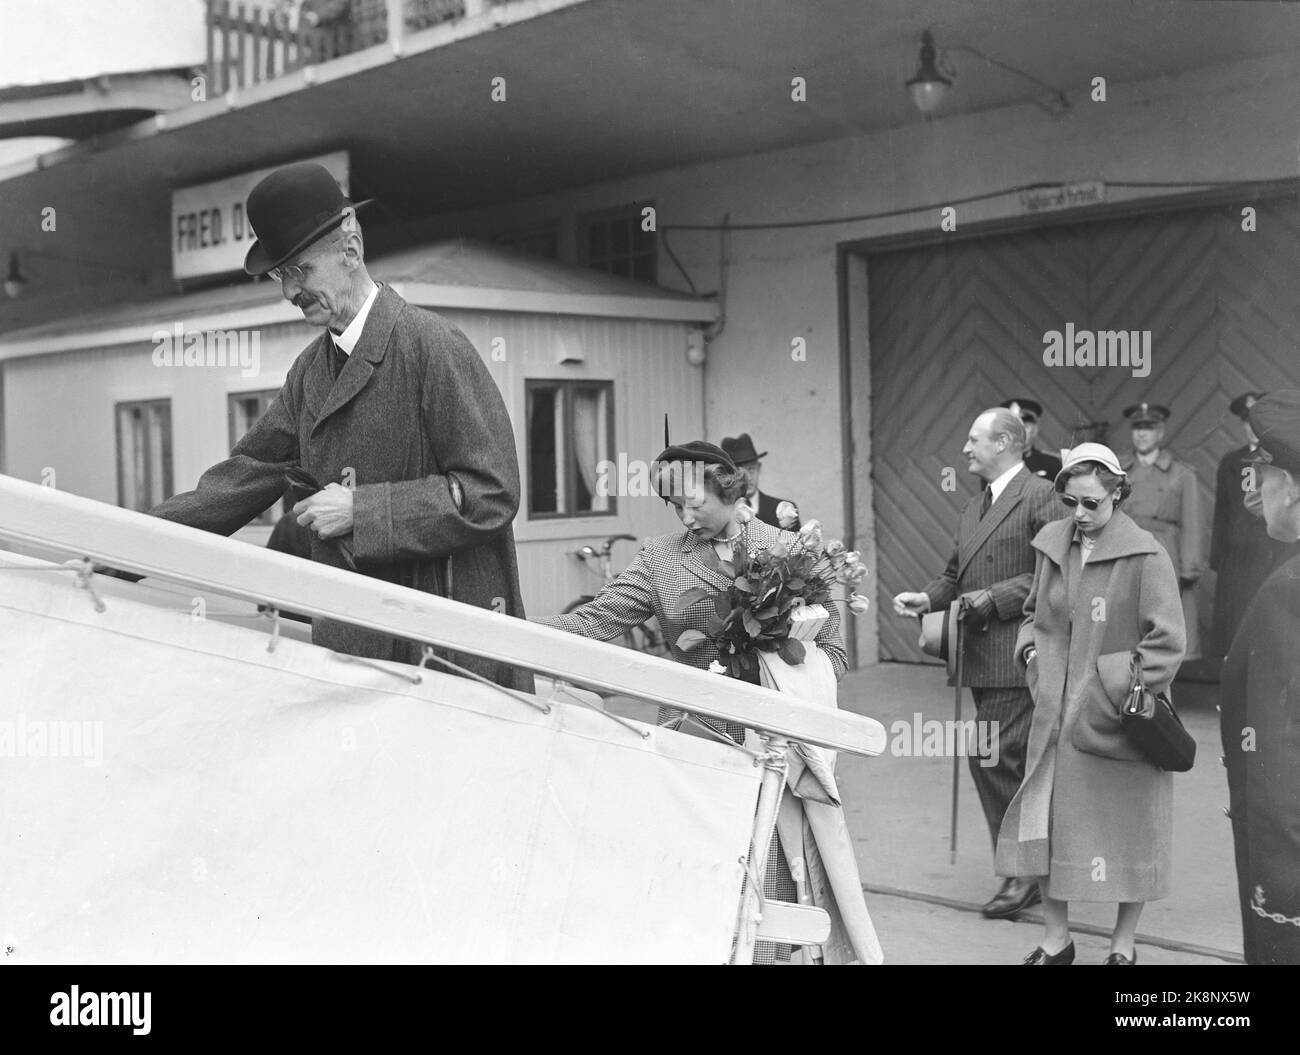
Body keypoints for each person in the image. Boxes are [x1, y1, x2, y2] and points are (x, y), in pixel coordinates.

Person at [149, 162, 530, 691]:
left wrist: (361, 510)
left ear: (351, 249)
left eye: (300, 270)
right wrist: (129, 545)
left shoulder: (432, 346)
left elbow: (492, 492)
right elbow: (244, 477)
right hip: (356, 648)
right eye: (281, 276)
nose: (289, 292)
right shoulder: (310, 372)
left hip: (445, 653)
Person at [539, 440, 879, 964]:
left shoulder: (790, 552)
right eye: (673, 506)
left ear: (727, 485)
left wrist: (792, 665)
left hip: (775, 751)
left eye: (691, 501)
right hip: (694, 746)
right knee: (696, 887)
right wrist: (504, 620)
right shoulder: (660, 558)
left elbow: (833, 654)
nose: (684, 515)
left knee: (771, 894)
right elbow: (594, 620)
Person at [998, 444, 1186, 965]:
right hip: (1054, 716)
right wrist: (1033, 656)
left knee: (1129, 833)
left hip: (1119, 723)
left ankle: (1122, 947)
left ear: (1117, 495)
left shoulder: (1146, 554)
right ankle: (1056, 941)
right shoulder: (1052, 545)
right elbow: (1033, 615)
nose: (1079, 514)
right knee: (1047, 823)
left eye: (1092, 503)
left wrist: (1110, 693)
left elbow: (1167, 642)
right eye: (1071, 502)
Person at [892, 408, 1059, 919]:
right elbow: (954, 573)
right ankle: (1023, 867)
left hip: (1018, 655)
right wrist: (927, 597)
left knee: (999, 758)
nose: (965, 448)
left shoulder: (1041, 496)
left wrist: (992, 599)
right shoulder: (974, 507)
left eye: (974, 439)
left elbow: (1052, 575)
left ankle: (1025, 873)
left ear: (1006, 443)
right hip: (980, 659)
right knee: (993, 761)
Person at [1221, 390, 1300, 965]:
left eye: (1265, 477)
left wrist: (1277, 892)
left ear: (1292, 488)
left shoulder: (1288, 592)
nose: (1256, 489)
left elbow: (1278, 764)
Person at [1210, 392, 1295, 659]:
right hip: (1240, 550)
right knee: (1237, 611)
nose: (1251, 429)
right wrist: (1218, 556)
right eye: (1245, 422)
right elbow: (1222, 509)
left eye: (1254, 423)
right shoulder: (1232, 462)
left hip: (1271, 545)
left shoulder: (1277, 460)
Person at [1120, 401, 1205, 663]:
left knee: (1170, 618)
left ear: (1161, 432)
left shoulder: (1181, 474)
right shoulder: (1119, 472)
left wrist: (1189, 567)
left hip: (1166, 553)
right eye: (1137, 427)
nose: (1142, 433)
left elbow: (1193, 522)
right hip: (1127, 552)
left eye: (1149, 427)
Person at [720, 433, 801, 529]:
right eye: (739, 472)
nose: (748, 478)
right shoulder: (721, 514)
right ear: (727, 476)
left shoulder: (784, 510)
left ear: (759, 468)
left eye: (751, 469)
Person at [1000, 397, 1063, 480]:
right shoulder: (994, 464)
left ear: (1035, 429)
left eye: (1025, 426)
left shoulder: (1052, 463)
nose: (1019, 431)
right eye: (1013, 426)